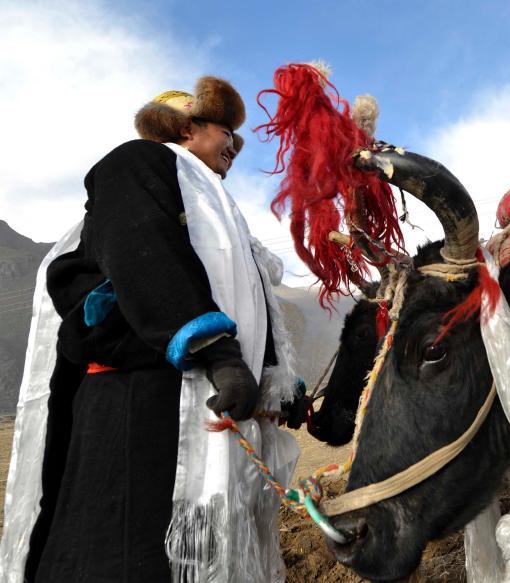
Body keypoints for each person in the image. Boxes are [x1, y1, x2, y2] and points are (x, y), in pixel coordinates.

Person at [0, 77, 301, 583]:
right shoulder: (138, 162)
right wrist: (219, 353)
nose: (234, 145)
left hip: (198, 396)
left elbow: (252, 304)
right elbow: (146, 252)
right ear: (187, 127)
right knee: (128, 551)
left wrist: (278, 384)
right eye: (226, 130)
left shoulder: (222, 217)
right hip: (136, 400)